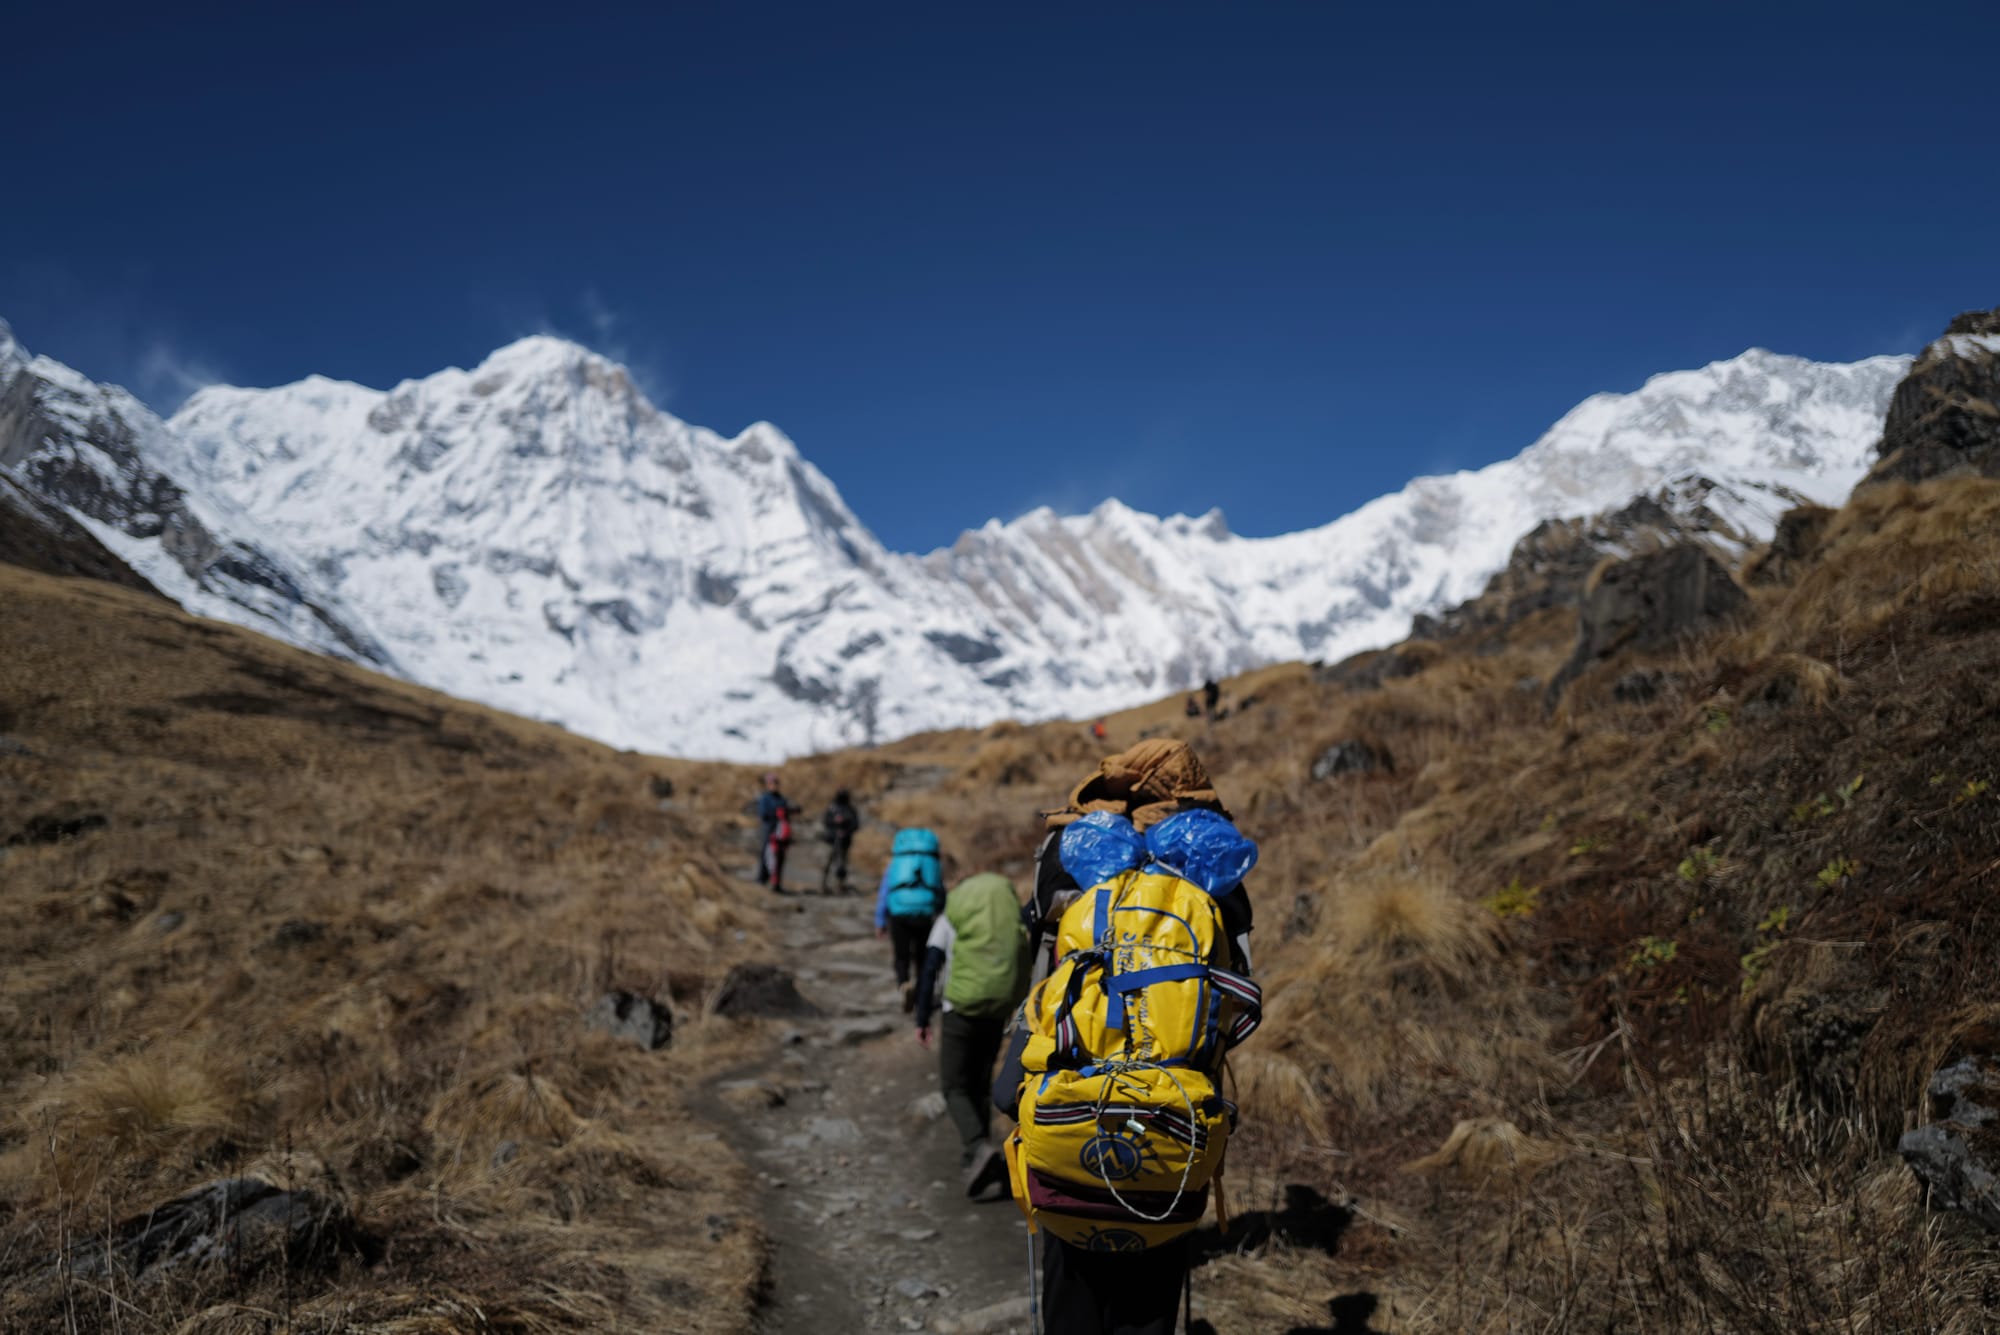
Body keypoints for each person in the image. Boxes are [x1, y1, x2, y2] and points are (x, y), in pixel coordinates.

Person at [913, 872, 1030, 1199]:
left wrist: (922, 1017)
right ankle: (979, 1160)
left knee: (953, 1086)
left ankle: (978, 1147)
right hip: (997, 1011)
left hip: (959, 1012)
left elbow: (930, 965)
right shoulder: (1006, 918)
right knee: (979, 1083)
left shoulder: (952, 916)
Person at [874, 827, 945, 1008]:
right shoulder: (931, 862)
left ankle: (903, 984)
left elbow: (885, 892)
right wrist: (941, 912)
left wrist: (880, 921)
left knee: (901, 954)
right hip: (925, 911)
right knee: (922, 955)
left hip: (899, 911)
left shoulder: (896, 864)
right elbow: (939, 889)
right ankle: (922, 994)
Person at [755, 772, 794, 892]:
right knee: (767, 856)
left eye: (776, 783)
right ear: (767, 785)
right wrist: (775, 813)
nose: (774, 785)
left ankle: (776, 883)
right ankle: (762, 881)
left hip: (781, 832)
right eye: (771, 783)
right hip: (769, 831)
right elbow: (763, 814)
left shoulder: (781, 798)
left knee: (780, 858)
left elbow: (787, 815)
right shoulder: (765, 799)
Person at [820, 789, 859, 894]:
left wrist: (845, 831)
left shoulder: (850, 809)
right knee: (828, 863)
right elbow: (826, 821)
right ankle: (825, 886)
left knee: (842, 864)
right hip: (831, 840)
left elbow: (855, 825)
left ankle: (840, 886)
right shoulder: (832, 808)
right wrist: (835, 822)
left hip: (845, 841)